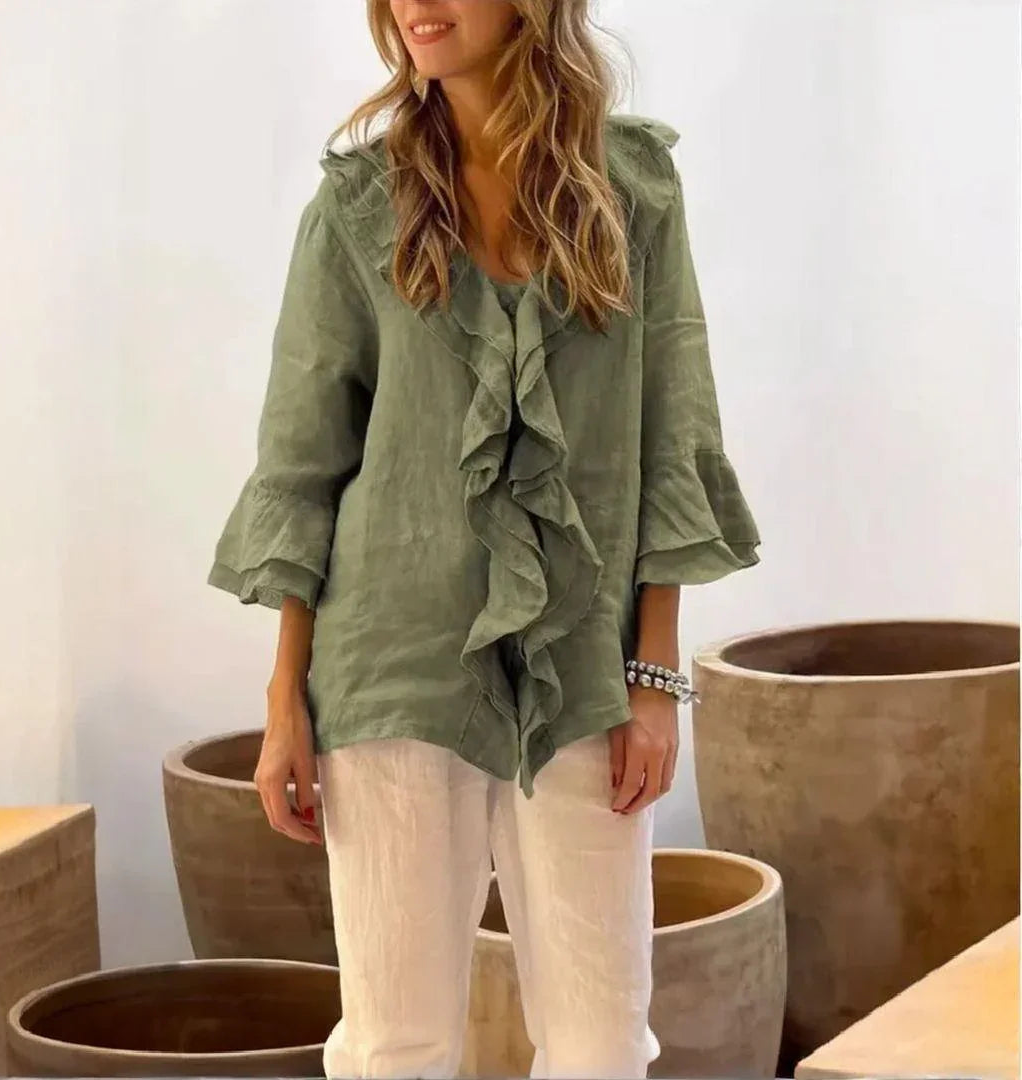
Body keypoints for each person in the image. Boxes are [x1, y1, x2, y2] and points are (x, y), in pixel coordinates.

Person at [207, 2, 762, 1076]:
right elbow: (304, 462)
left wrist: (653, 675)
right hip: (392, 666)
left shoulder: (633, 190)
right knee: (397, 1043)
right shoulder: (357, 208)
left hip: (583, 668)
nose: (416, 6)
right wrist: (285, 699)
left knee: (602, 1042)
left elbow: (673, 433)